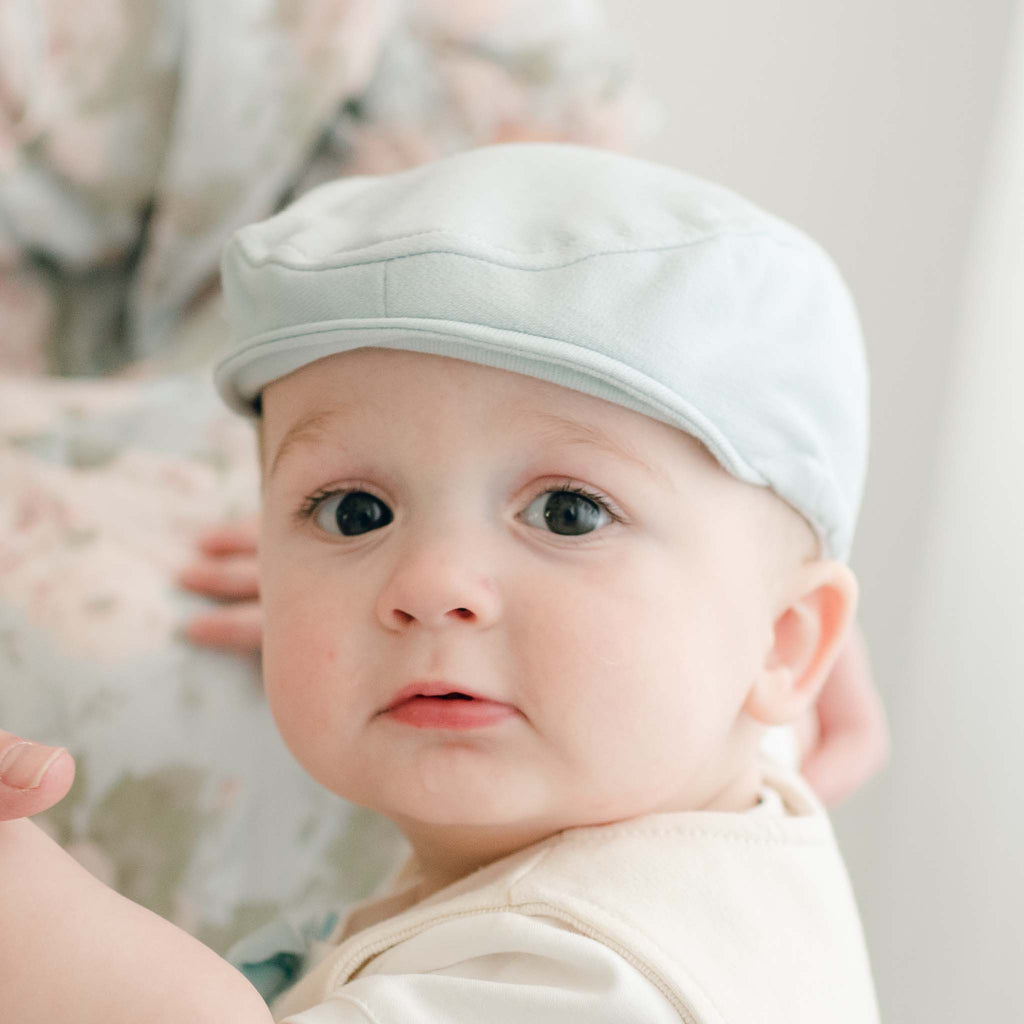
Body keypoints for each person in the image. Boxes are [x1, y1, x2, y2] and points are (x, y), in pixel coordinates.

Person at [0, 143, 879, 1022]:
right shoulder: (724, 809)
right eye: (354, 513)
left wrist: (28, 913)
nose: (427, 582)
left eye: (568, 513)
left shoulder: (601, 980)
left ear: (787, 641)